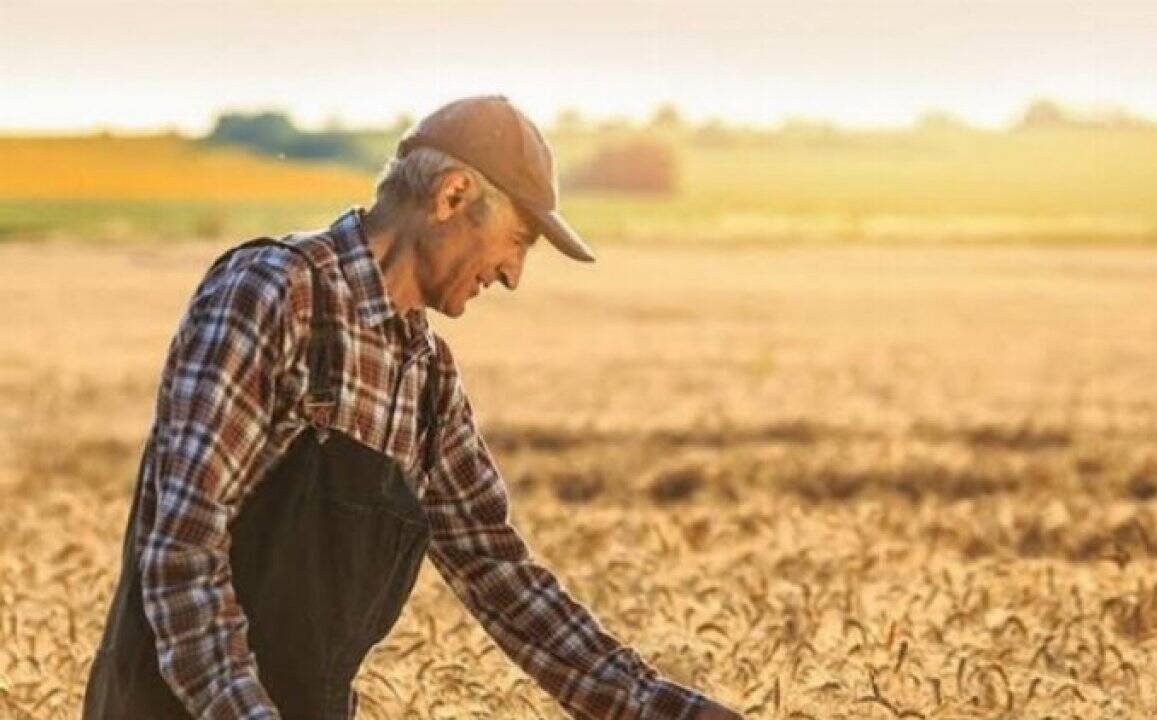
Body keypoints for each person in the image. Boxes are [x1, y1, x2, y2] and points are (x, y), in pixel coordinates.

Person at [83, 96, 742, 720]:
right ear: (452, 195)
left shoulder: (424, 377)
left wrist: (658, 707)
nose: (514, 275)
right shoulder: (275, 292)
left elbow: (497, 570)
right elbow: (181, 555)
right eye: (518, 240)